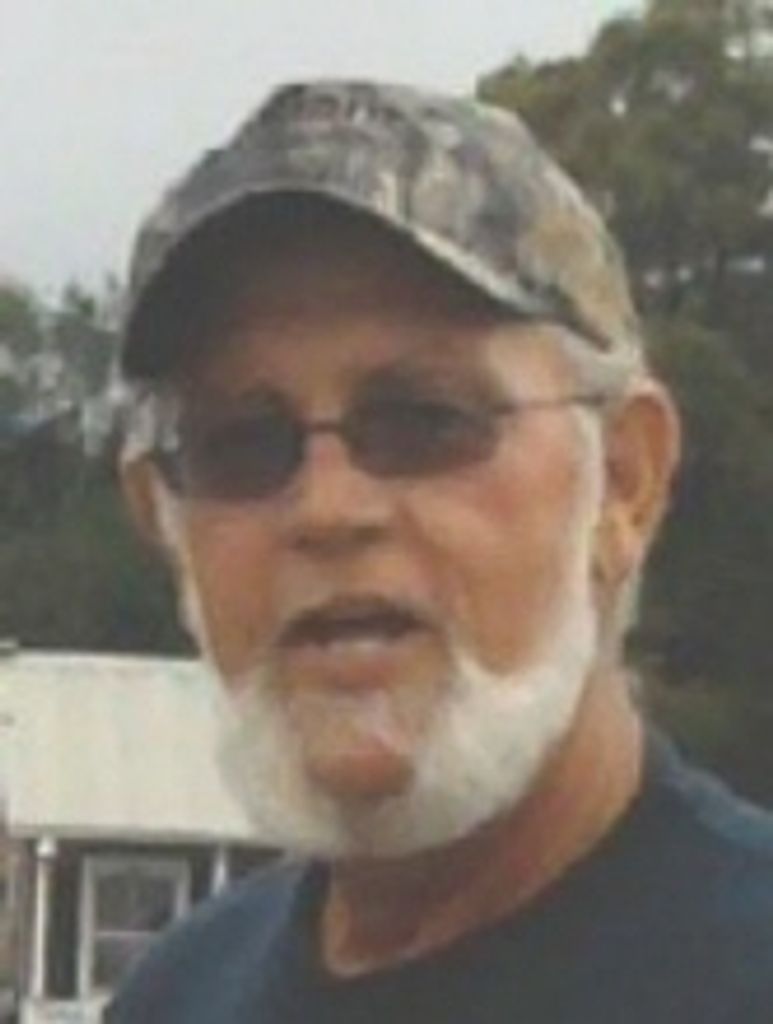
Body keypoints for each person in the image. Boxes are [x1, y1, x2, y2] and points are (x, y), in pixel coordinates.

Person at [107, 80, 773, 1023]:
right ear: (165, 521)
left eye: (423, 419)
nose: (328, 508)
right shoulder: (179, 997)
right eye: (241, 444)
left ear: (623, 481)